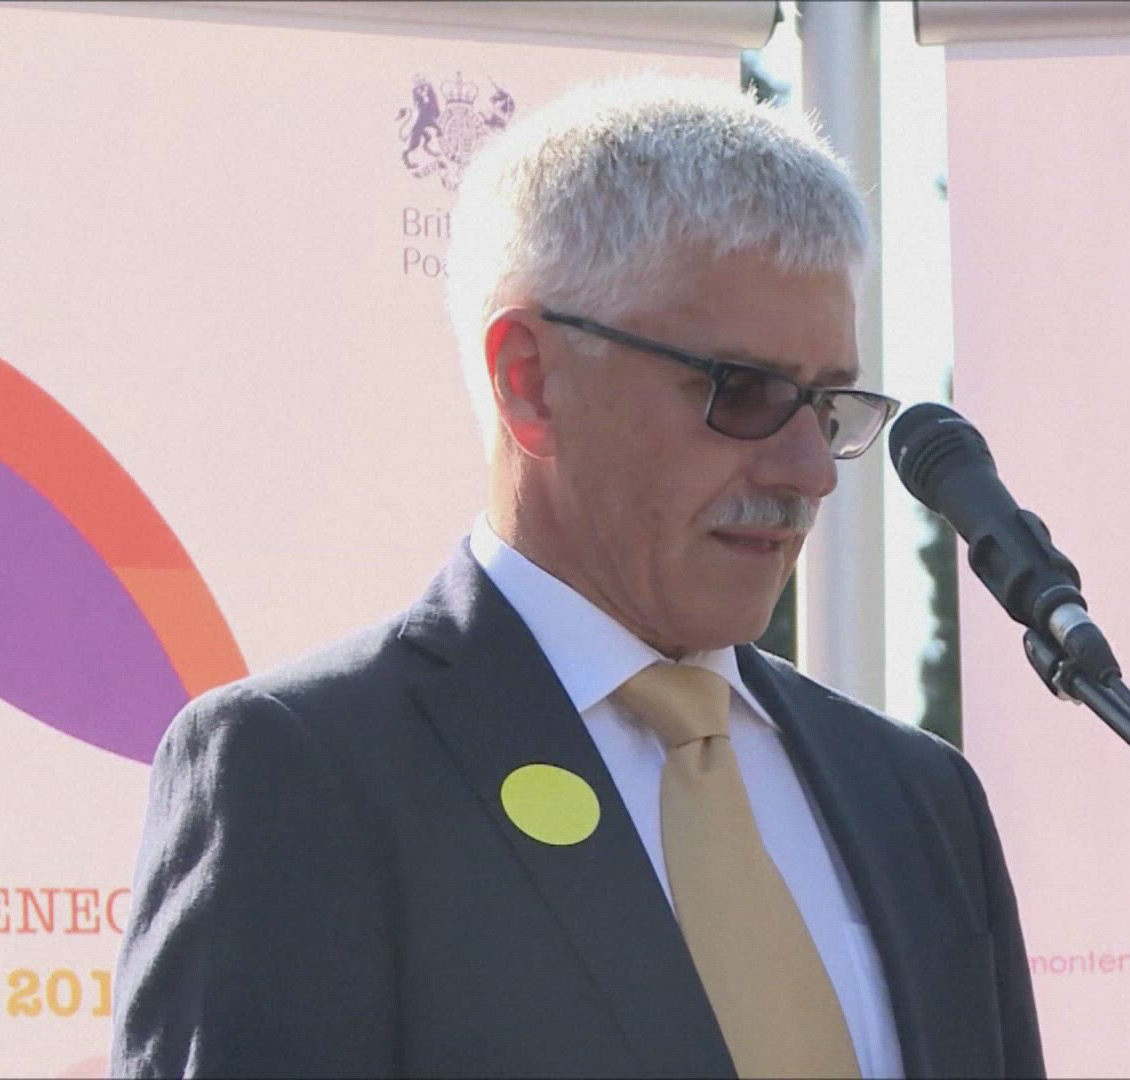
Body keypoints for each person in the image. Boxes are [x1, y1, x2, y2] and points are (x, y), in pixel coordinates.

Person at [110, 75, 1043, 1078]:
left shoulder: (917, 801)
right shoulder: (307, 774)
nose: (810, 471)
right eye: (741, 392)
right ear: (530, 380)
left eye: (826, 406)